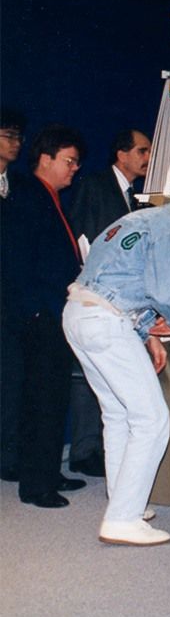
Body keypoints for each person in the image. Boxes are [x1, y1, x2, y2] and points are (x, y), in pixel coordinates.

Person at [62, 193, 170, 545]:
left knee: (118, 415)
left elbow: (125, 280)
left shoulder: (145, 219)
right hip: (107, 322)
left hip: (80, 313)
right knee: (152, 420)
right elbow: (167, 292)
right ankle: (122, 519)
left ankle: (125, 503)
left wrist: (146, 335)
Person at [7, 124, 88, 507]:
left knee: (53, 396)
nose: (75, 169)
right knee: (42, 399)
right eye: (69, 161)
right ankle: (36, 484)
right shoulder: (28, 197)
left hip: (52, 311)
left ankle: (48, 472)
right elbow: (18, 261)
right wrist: (37, 309)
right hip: (40, 315)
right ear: (45, 159)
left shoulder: (47, 197)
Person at [65, 127, 153, 478]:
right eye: (142, 151)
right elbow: (81, 238)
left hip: (120, 298)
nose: (148, 157)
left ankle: (102, 448)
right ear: (121, 154)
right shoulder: (95, 186)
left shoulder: (134, 195)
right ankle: (84, 449)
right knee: (88, 377)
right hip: (95, 296)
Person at [0, 109, 27, 481]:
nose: (16, 143)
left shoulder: (19, 186)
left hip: (12, 300)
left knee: (11, 380)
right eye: (8, 135)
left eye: (19, 136)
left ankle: (7, 456)